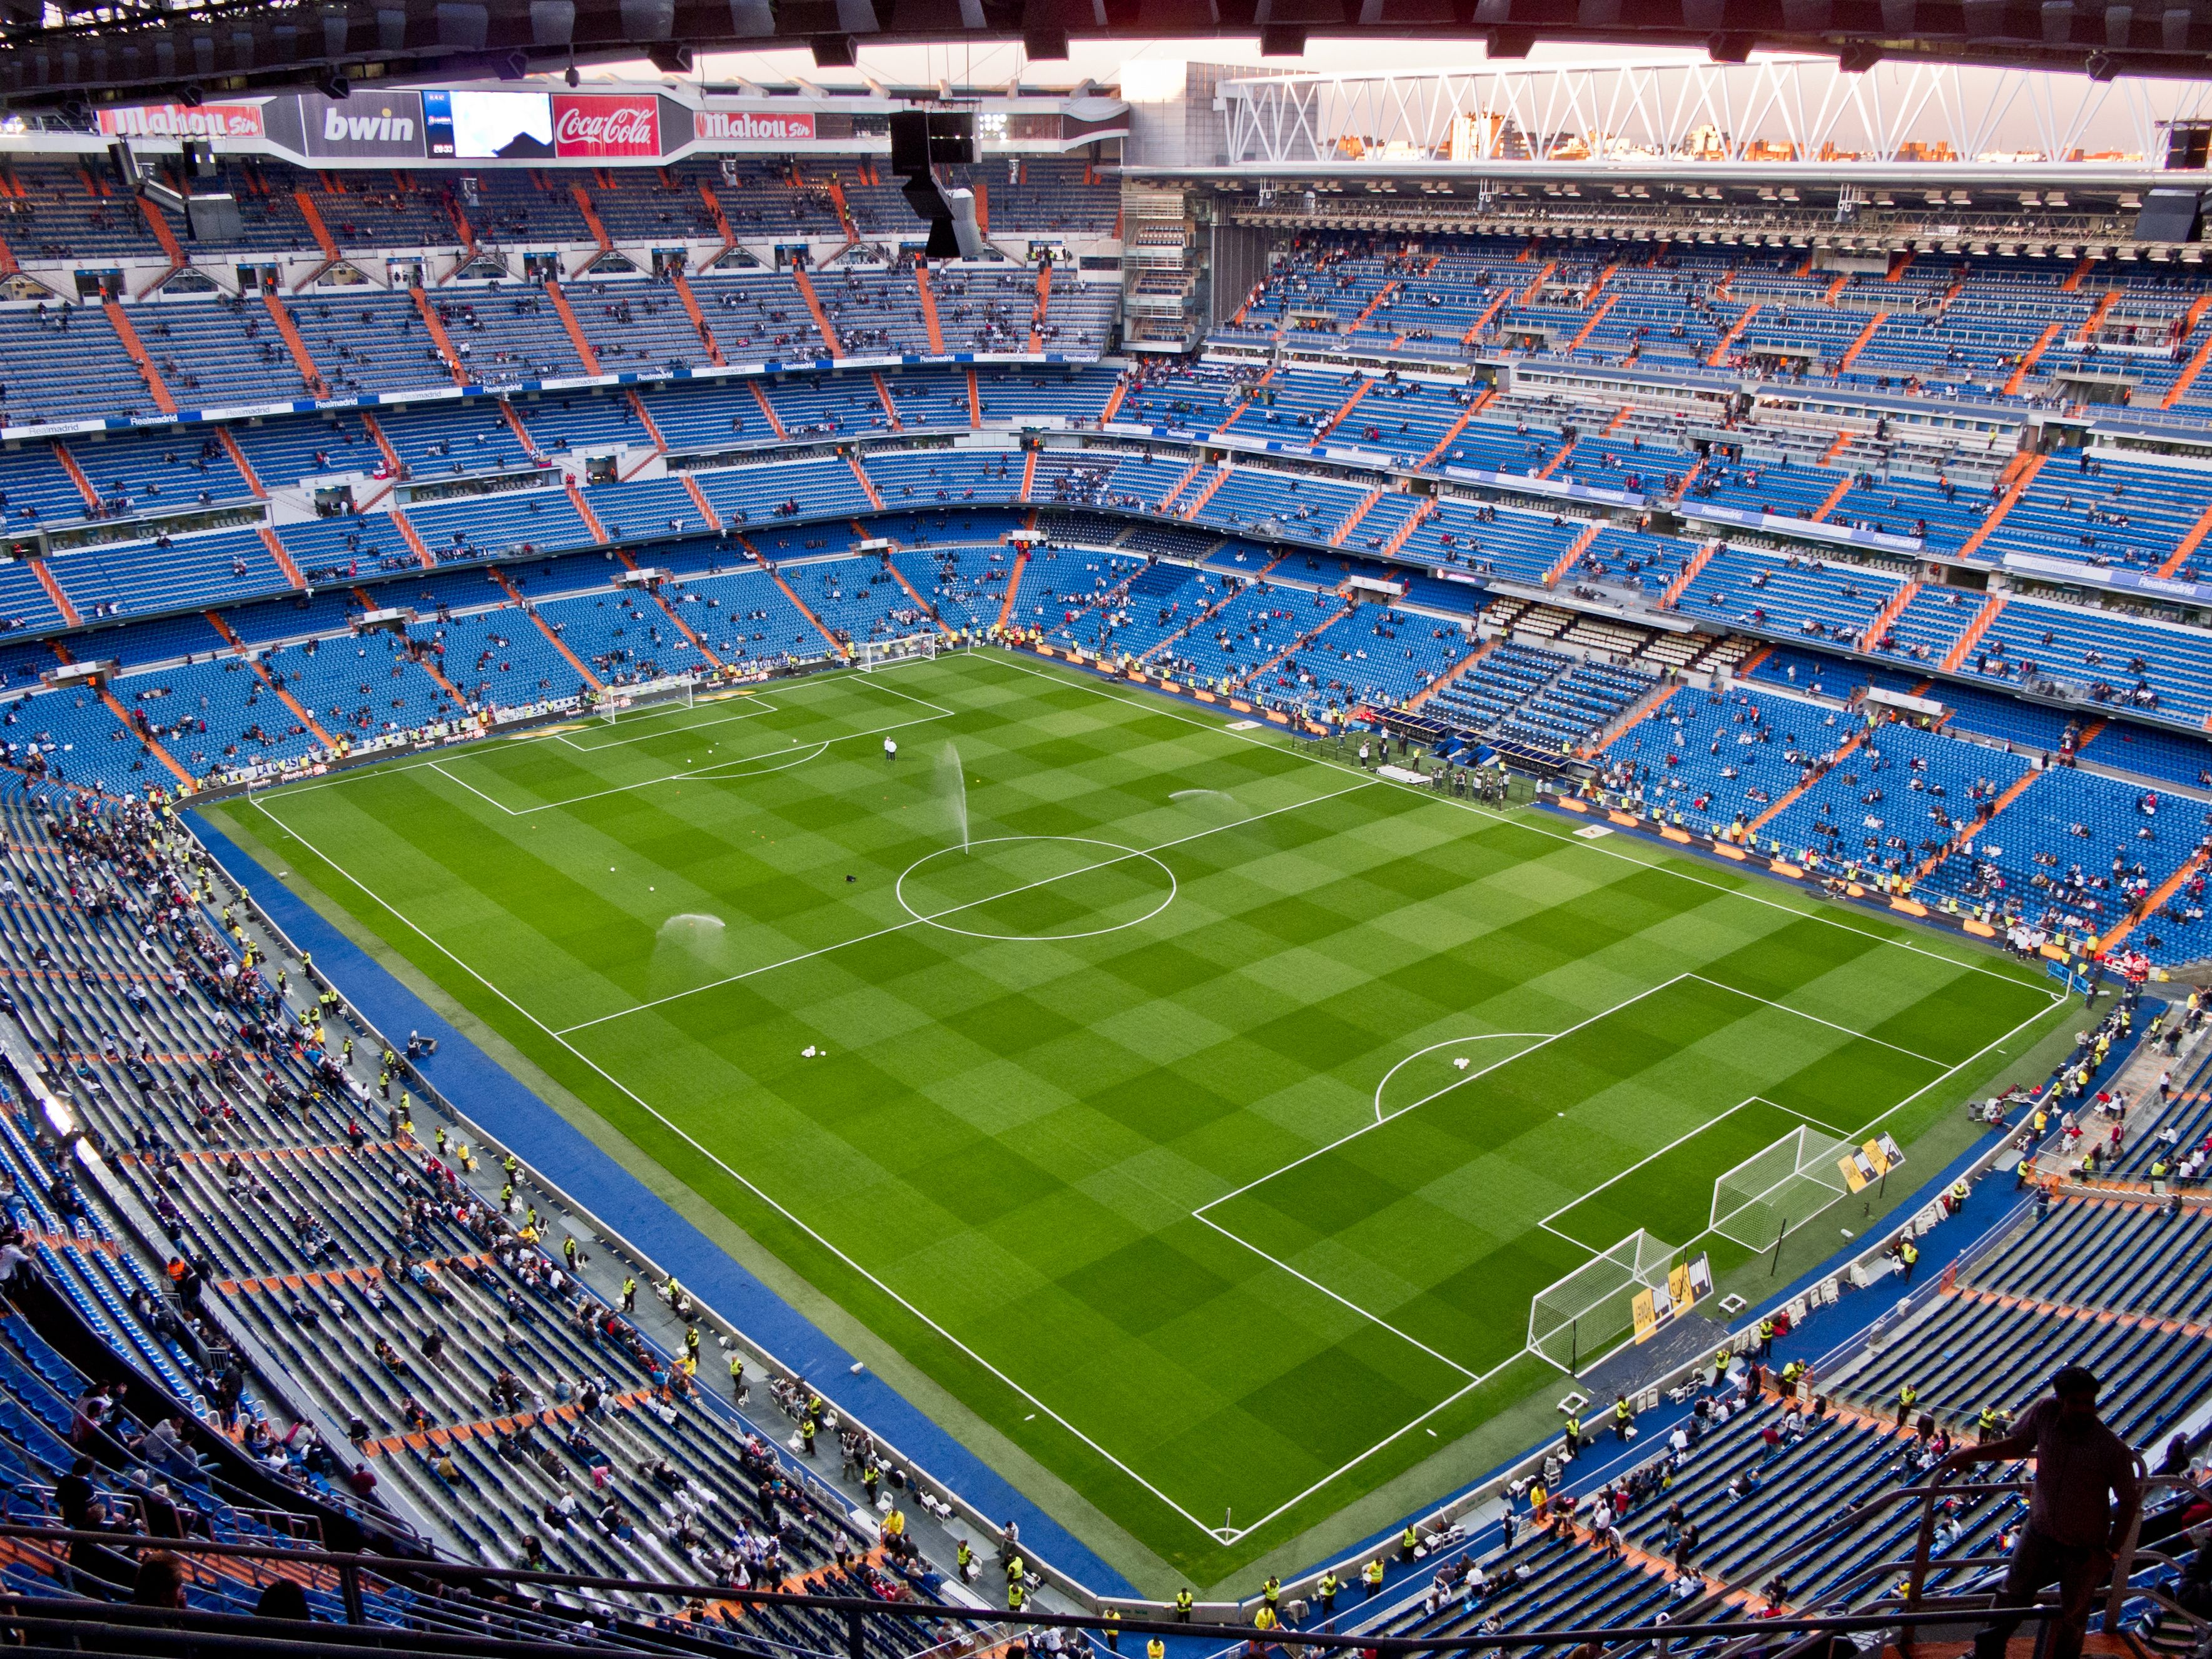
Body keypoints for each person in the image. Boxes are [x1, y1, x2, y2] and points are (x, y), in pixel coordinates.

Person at [1935, 1366, 2141, 1659]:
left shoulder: (2111, 1449)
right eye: (2076, 1402)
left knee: (2074, 1614)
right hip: (2039, 1529)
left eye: (2089, 1402)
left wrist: (2111, 1552)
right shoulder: (2044, 1412)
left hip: (2085, 1545)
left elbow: (2129, 1502)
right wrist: (1972, 1453)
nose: (2084, 1409)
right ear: (2060, 1400)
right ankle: (1986, 1654)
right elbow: (2018, 1444)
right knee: (2010, 1596)